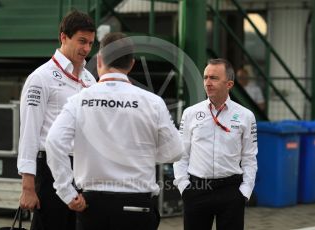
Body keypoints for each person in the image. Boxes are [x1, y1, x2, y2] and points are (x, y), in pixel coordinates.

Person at [45, 32, 184, 230]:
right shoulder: (153, 102)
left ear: (100, 60)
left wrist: (67, 192)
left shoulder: (79, 100)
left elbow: (54, 142)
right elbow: (176, 151)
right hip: (137, 205)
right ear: (132, 64)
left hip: (93, 206)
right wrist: (141, 154)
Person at [17, 10, 96, 230]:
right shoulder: (40, 78)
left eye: (90, 43)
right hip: (50, 168)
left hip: (83, 169)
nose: (87, 49)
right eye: (81, 41)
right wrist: (28, 186)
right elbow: (29, 133)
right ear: (63, 37)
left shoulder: (90, 79)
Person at [173, 58, 258, 230]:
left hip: (231, 191)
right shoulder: (190, 113)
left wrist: (245, 192)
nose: (208, 83)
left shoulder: (245, 116)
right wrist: (184, 187)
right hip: (197, 189)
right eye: (205, 77)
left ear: (229, 84)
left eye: (214, 78)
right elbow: (180, 154)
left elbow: (249, 158)